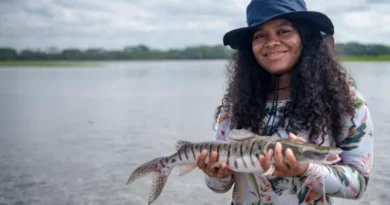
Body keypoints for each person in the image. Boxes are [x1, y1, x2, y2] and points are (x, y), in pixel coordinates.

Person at [196, 0, 374, 204]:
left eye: (283, 31)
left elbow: (358, 185)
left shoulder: (347, 102)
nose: (271, 42)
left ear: (305, 37)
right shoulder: (235, 105)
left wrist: (306, 169)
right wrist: (217, 175)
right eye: (260, 35)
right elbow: (218, 186)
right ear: (250, 47)